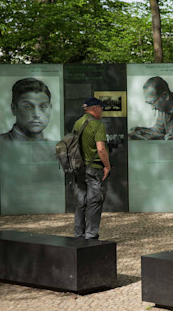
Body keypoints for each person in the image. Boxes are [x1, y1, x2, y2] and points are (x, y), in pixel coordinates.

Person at [72, 97, 111, 239]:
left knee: (81, 202)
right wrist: (107, 166)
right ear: (95, 108)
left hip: (80, 169)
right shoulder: (97, 125)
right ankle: (91, 234)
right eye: (101, 108)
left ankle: (79, 234)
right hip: (94, 168)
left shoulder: (78, 123)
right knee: (94, 202)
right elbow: (101, 149)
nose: (102, 111)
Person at [129, 76, 173, 140]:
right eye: (149, 103)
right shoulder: (163, 108)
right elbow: (158, 130)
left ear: (165, 95)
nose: (152, 108)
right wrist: (142, 130)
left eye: (153, 102)